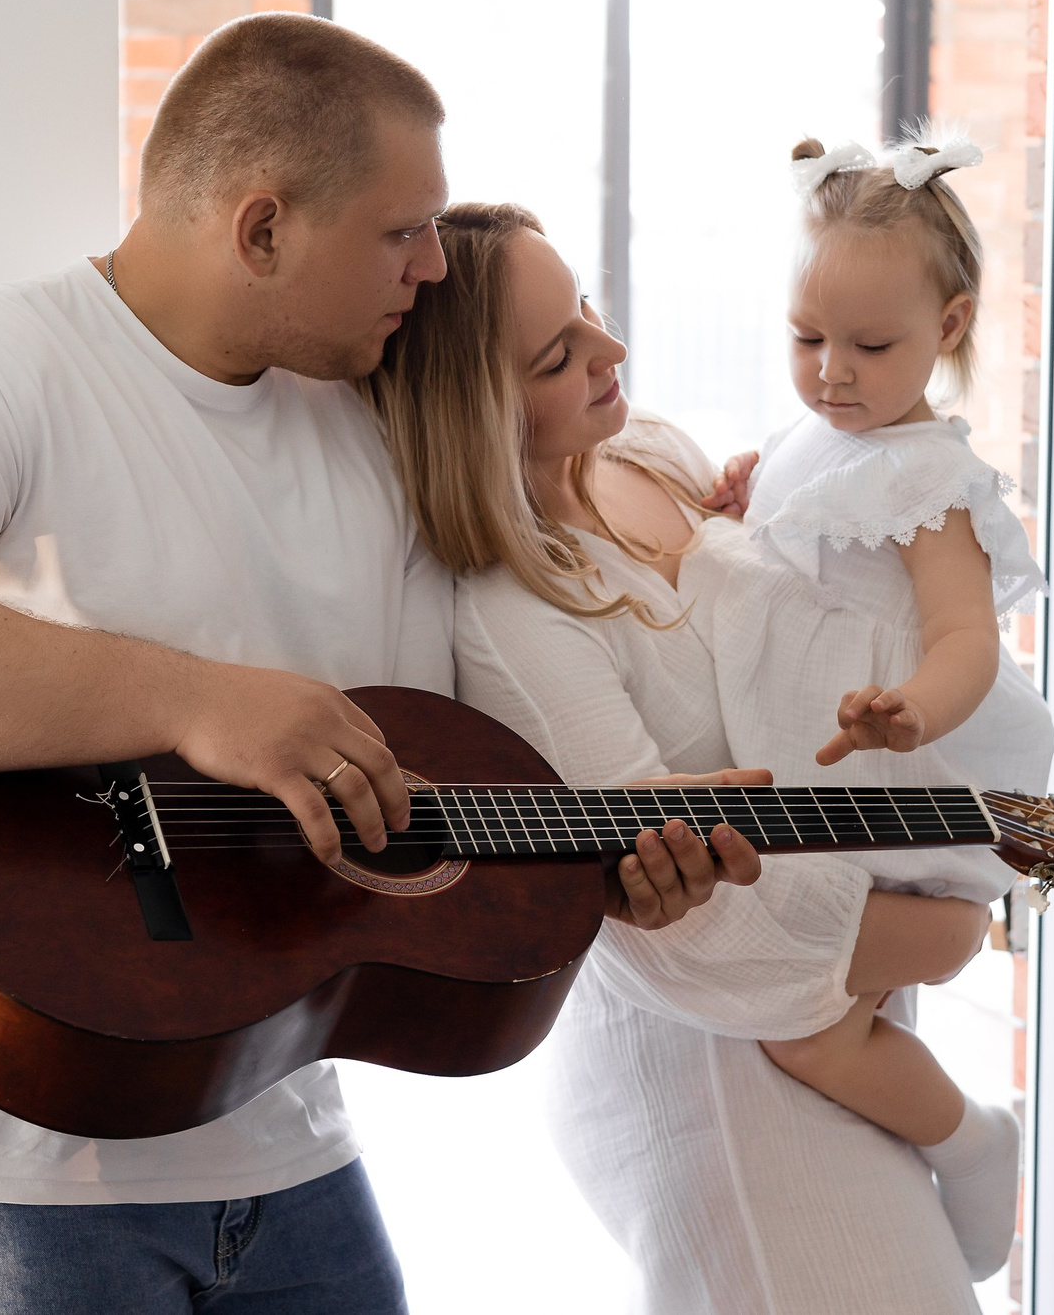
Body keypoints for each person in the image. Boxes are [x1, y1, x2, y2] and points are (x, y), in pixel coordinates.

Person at [0, 13, 754, 1315]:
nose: (433, 267)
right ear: (261, 229)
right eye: (399, 231)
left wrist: (605, 864)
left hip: (276, 1127)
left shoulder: (368, 429)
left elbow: (444, 772)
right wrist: (194, 701)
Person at [365, 199, 1005, 1314]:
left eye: (591, 312)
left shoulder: (647, 449)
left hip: (836, 985)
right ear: (476, 411)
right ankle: (976, 1138)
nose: (610, 352)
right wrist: (940, 931)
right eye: (560, 353)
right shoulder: (512, 617)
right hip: (721, 1060)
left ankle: (971, 1137)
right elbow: (688, 908)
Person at [692, 129, 1054, 1279]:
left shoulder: (925, 476)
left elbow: (963, 633)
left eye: (868, 344)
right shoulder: (820, 432)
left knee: (806, 1028)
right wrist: (756, 492)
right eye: (805, 339)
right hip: (823, 761)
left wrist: (913, 708)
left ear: (947, 329)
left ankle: (968, 1131)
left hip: (897, 763)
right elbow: (805, 527)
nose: (831, 372)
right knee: (852, 987)